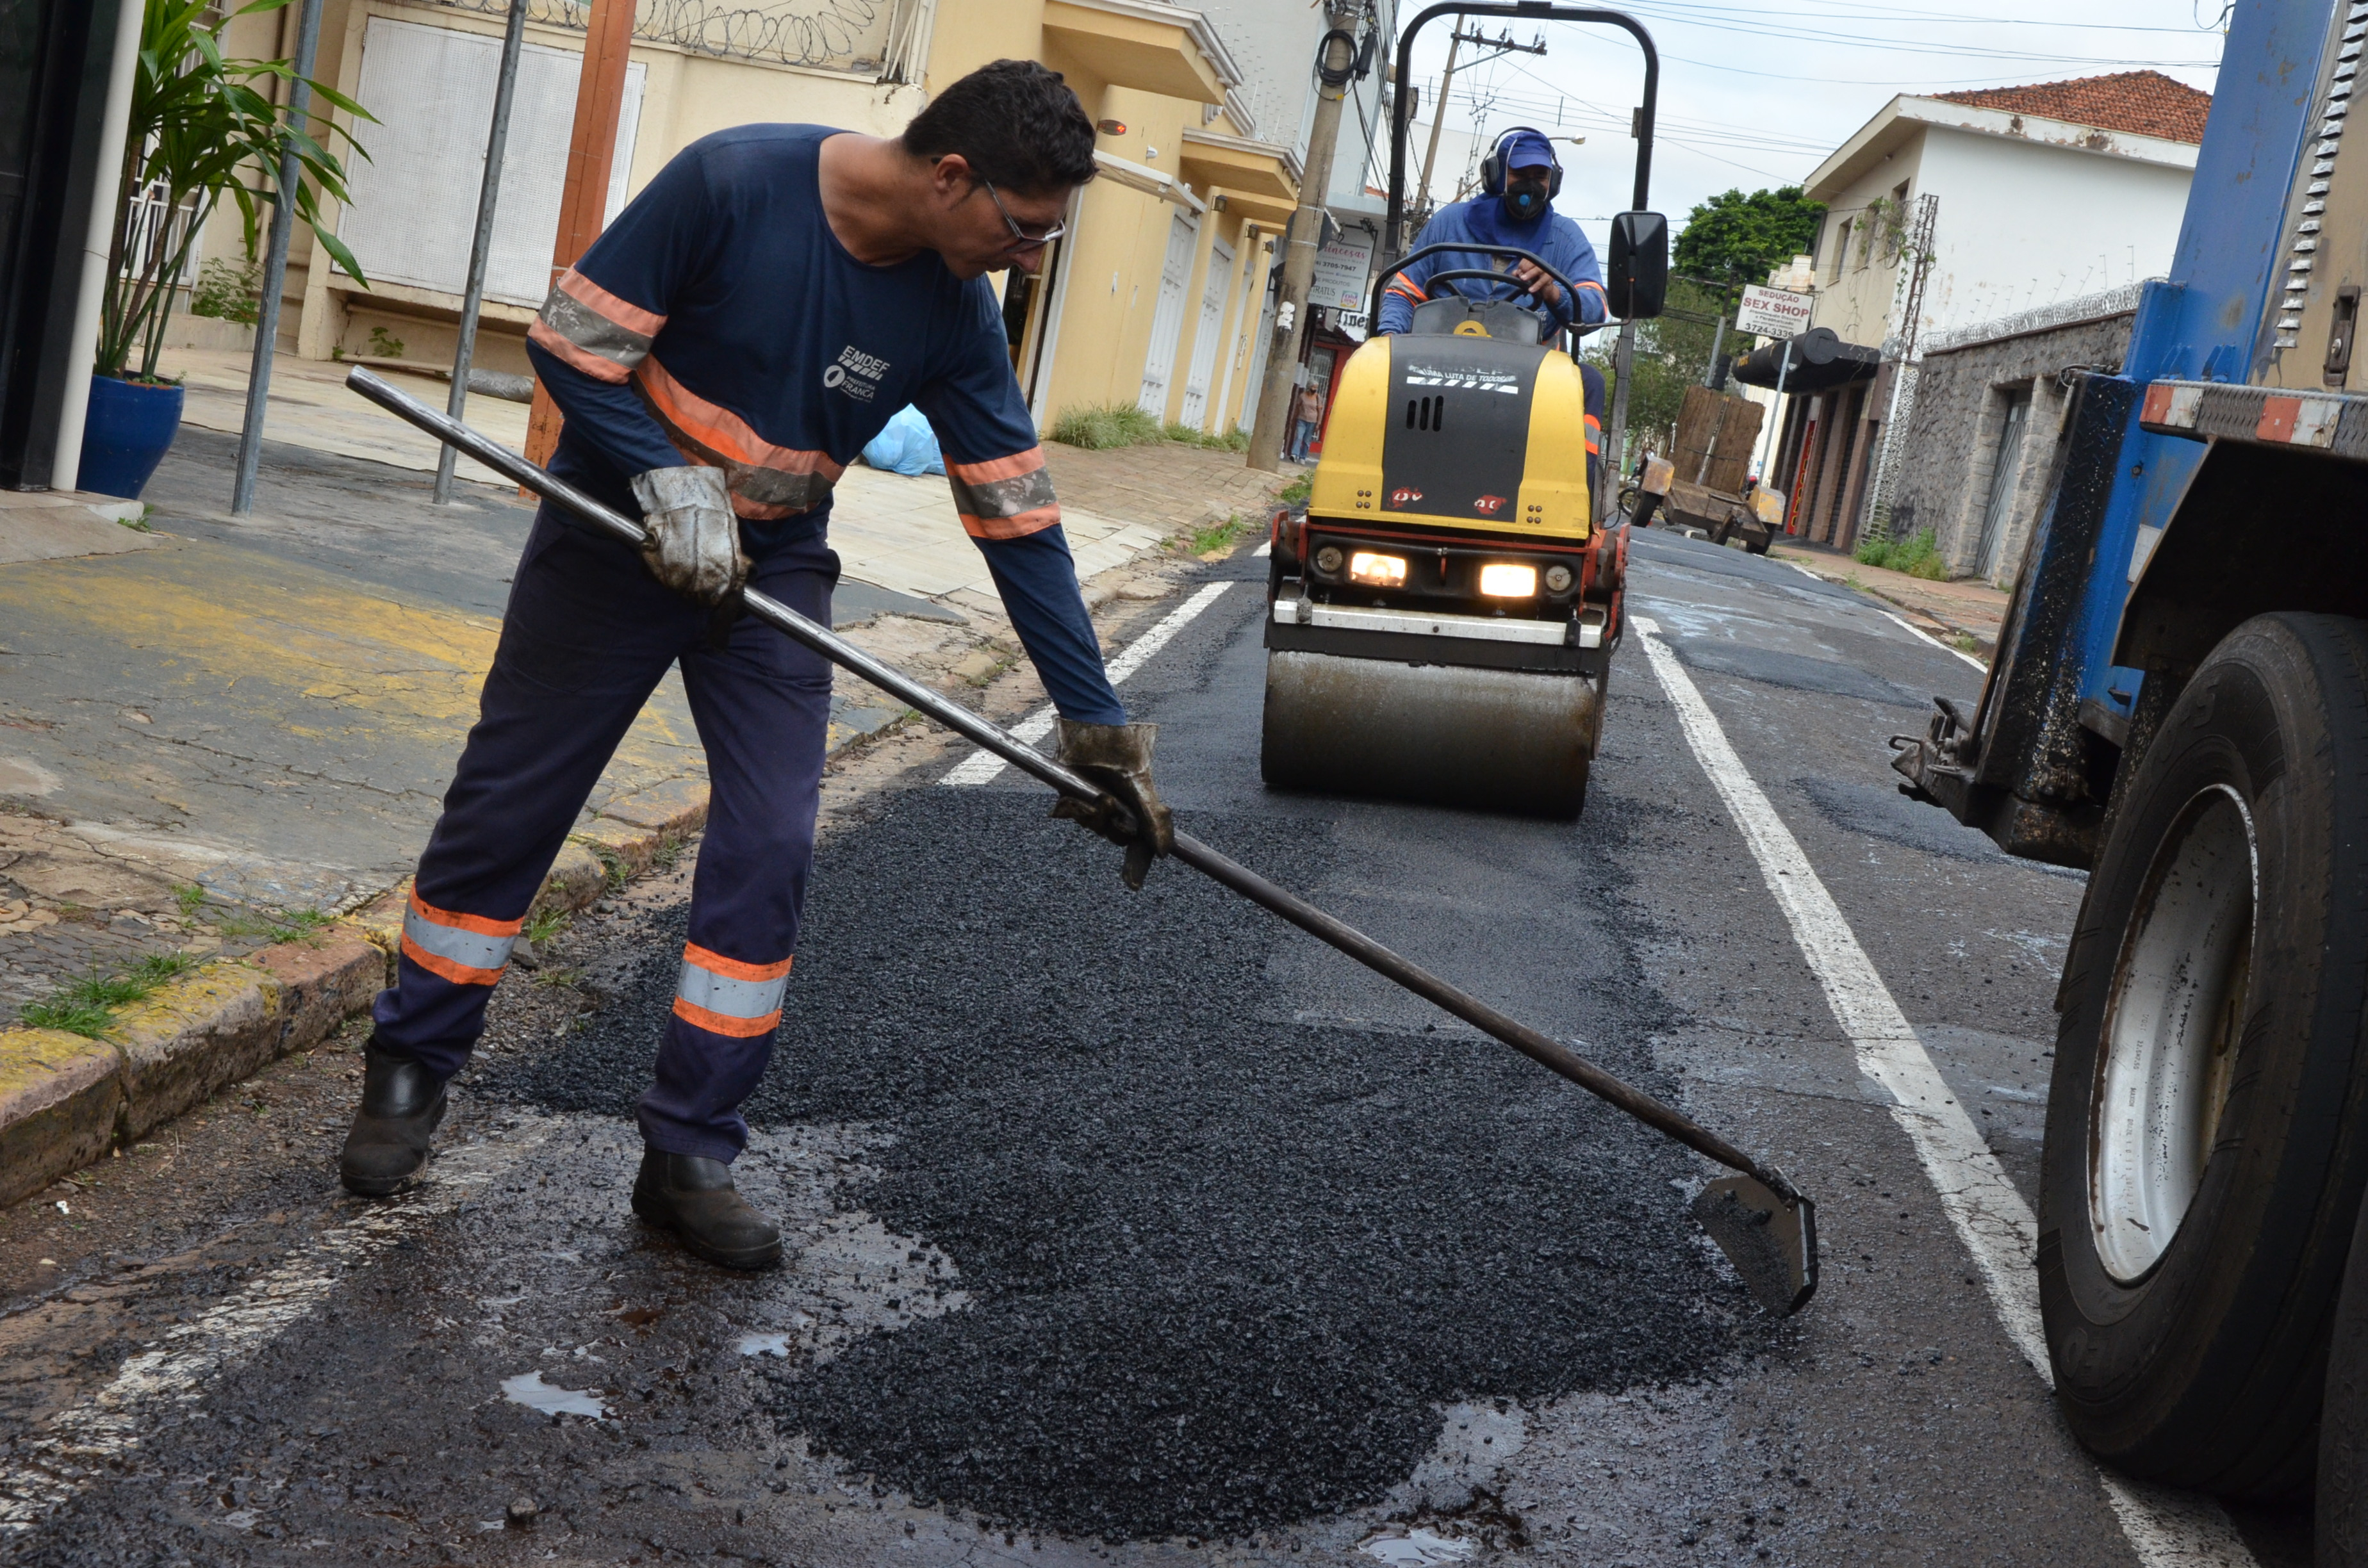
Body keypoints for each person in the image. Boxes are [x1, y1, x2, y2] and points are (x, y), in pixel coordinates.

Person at [336, 61, 1172, 1270]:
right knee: (512, 803)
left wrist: (1094, 723)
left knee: (773, 838)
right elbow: (571, 346)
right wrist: (661, 478)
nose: (1033, 256)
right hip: (613, 537)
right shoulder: (733, 183)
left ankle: (689, 1148)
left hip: (772, 573)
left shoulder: (953, 312)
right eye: (1025, 226)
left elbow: (1018, 521)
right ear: (951, 177)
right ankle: (409, 1066)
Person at [1377, 127, 1609, 495]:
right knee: (1373, 368)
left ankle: (1571, 498)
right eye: (1520, 175)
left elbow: (1594, 306)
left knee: (1590, 383)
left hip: (1532, 381)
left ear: (1554, 181)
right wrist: (1389, 342)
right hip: (1436, 368)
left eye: (1540, 177)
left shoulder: (1566, 239)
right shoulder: (1449, 224)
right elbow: (1403, 290)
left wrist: (1554, 291)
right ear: (1497, 174)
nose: (1530, 186)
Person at [1290, 382, 1326, 462]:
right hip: (1301, 419)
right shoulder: (1302, 396)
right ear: (1309, 387)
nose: (1314, 389)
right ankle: (1294, 454)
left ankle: (1303, 457)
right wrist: (1294, 418)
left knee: (1307, 440)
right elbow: (1297, 408)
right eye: (1313, 387)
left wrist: (1319, 423)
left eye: (1316, 387)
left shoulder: (1318, 398)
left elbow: (1320, 411)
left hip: (1312, 421)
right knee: (1299, 437)